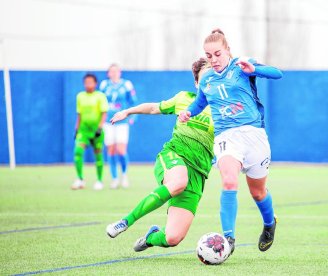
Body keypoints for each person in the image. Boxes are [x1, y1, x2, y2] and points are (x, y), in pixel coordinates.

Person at [179, 29, 283, 253]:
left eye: (217, 54)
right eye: (208, 55)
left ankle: (269, 224)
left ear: (227, 50)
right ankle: (229, 239)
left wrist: (254, 69)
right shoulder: (206, 78)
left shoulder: (241, 66)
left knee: (258, 192)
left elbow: (277, 74)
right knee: (228, 181)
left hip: (254, 135)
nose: (213, 59)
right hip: (227, 136)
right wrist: (188, 112)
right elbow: (199, 103)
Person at [106, 58, 214, 252]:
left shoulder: (225, 110)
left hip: (199, 173)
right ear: (197, 83)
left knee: (172, 238)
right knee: (179, 182)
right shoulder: (184, 98)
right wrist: (128, 111)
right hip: (175, 155)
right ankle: (125, 221)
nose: (210, 81)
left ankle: (150, 238)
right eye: (205, 77)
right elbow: (154, 107)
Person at [100, 64, 138, 189]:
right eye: (111, 71)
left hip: (122, 122)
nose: (114, 73)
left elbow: (133, 102)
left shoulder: (127, 84)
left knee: (121, 150)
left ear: (120, 72)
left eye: (116, 71)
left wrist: (132, 117)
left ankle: (124, 175)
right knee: (110, 150)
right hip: (108, 122)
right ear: (108, 73)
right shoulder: (104, 85)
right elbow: (99, 102)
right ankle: (114, 178)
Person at [72, 73, 109, 190]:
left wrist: (100, 127)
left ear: (95, 83)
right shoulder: (80, 96)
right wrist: (76, 129)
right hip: (83, 130)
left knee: (98, 155)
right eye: (86, 82)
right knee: (77, 151)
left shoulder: (100, 96)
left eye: (90, 82)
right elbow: (79, 114)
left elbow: (104, 113)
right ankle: (80, 179)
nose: (88, 84)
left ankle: (99, 181)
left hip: (96, 131)